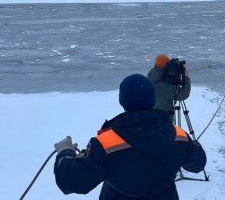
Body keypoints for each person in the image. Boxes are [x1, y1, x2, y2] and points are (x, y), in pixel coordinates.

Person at [53, 74, 206, 200]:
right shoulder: (178, 136)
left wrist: (65, 151)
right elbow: (198, 164)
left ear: (123, 101)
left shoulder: (105, 144)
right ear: (152, 99)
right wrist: (189, 146)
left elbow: (70, 181)